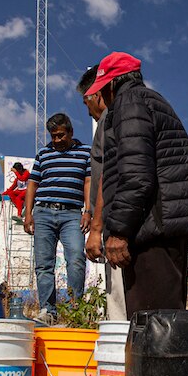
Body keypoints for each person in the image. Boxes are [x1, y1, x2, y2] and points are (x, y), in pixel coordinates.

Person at [85, 51, 188, 318]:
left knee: (153, 325)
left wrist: (119, 231)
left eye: (103, 91)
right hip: (159, 226)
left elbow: (136, 176)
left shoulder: (129, 103)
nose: (103, 99)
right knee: (164, 321)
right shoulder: (148, 101)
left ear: (112, 84)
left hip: (152, 229)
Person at [23, 113, 91, 322]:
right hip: (43, 213)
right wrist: (28, 214)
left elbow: (88, 182)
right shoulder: (43, 153)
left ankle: (74, 310)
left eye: (61, 135)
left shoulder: (85, 152)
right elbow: (32, 183)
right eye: (53, 136)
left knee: (76, 260)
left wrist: (88, 211)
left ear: (70, 132)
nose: (57, 140)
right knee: (43, 264)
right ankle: (48, 311)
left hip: (72, 214)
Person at [77, 65, 127, 321]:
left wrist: (97, 228)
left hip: (115, 223)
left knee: (119, 306)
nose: (88, 112)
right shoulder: (117, 120)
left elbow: (109, 174)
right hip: (115, 220)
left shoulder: (110, 119)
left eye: (86, 102)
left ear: (96, 95)